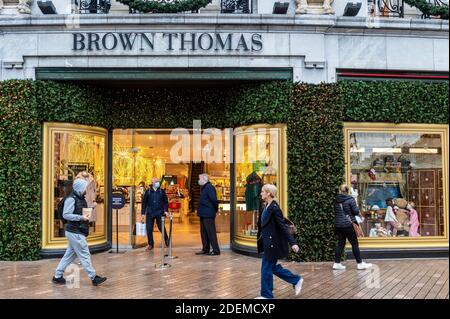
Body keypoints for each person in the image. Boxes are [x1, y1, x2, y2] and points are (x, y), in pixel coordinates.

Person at [52, 178, 107, 286]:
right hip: (75, 231)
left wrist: (91, 207)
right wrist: (81, 217)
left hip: (76, 230)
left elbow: (80, 210)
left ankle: (57, 276)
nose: (86, 190)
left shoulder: (80, 198)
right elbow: (66, 214)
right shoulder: (71, 199)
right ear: (79, 188)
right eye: (84, 188)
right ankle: (93, 277)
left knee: (69, 255)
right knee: (85, 254)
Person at [255, 184, 303, 299]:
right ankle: (295, 280)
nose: (260, 193)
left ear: (268, 193)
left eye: (262, 192)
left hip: (273, 244)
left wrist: (293, 243)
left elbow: (283, 227)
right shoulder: (265, 206)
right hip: (267, 243)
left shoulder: (274, 208)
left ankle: (267, 295)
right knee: (270, 268)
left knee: (266, 268)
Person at [333, 184, 372, 270]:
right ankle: (360, 263)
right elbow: (355, 211)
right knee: (354, 243)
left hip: (338, 225)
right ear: (348, 191)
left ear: (340, 190)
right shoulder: (350, 199)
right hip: (348, 224)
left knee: (340, 243)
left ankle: (336, 263)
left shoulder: (336, 200)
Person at [141, 177, 169, 251]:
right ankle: (150, 244)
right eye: (156, 181)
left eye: (158, 181)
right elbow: (144, 203)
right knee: (149, 229)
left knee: (161, 227)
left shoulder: (162, 191)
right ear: (152, 183)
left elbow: (166, 202)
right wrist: (143, 213)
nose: (158, 183)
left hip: (159, 212)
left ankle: (166, 239)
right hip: (150, 213)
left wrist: (165, 211)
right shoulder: (148, 192)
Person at [195, 174, 220, 256]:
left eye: (199, 178)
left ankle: (216, 250)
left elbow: (214, 200)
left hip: (208, 214)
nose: (198, 180)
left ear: (204, 179)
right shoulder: (204, 187)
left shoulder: (209, 187)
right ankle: (205, 249)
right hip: (203, 214)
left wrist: (214, 210)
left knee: (210, 232)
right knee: (204, 233)